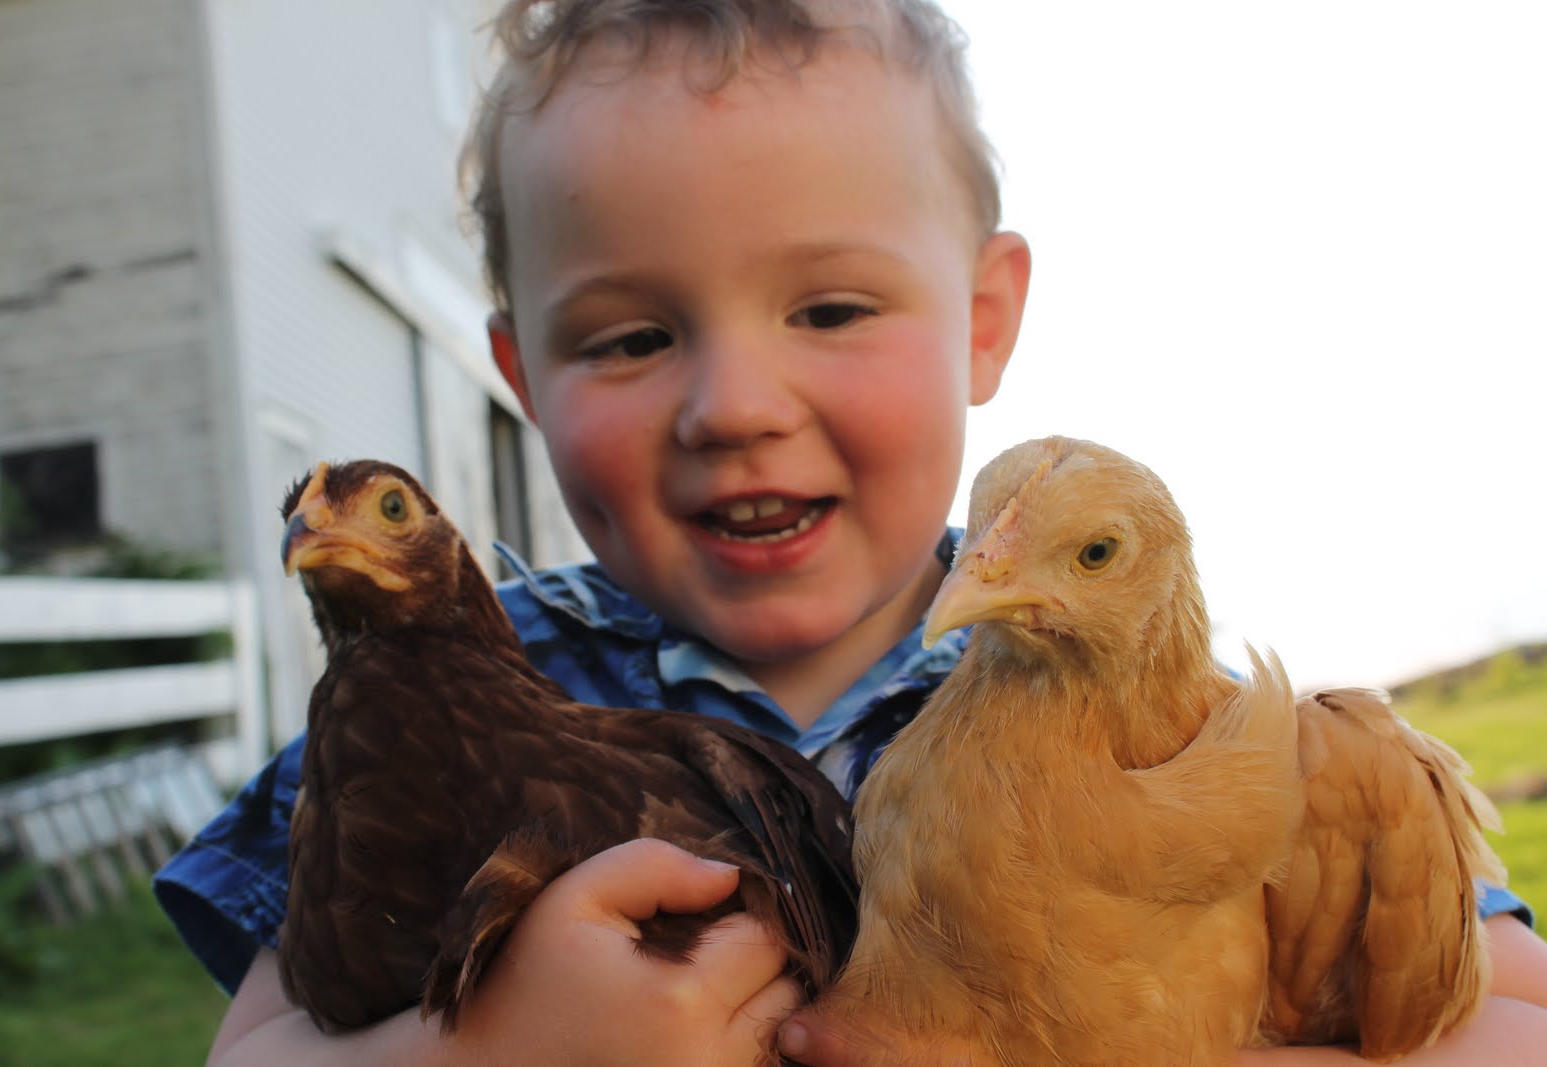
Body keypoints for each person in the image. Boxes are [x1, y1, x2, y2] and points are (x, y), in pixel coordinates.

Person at [153, 1, 1547, 1064]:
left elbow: (1509, 1020)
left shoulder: (1163, 728)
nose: (736, 406)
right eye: (633, 337)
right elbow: (259, 1045)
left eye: (829, 312)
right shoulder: (434, 686)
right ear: (523, 380)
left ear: (984, 321)